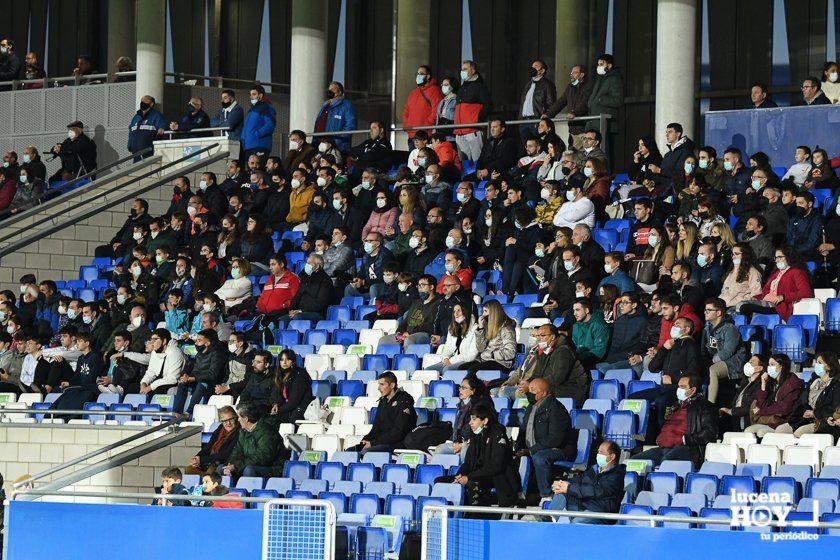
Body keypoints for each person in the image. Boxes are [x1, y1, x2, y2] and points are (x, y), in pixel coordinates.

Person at [439, 401, 520, 507]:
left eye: (474, 419)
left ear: (485, 420)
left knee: (472, 483)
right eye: (470, 419)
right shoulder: (475, 436)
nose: (470, 423)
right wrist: (460, 476)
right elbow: (468, 463)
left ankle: (475, 515)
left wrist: (469, 477)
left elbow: (495, 466)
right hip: (476, 474)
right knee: (440, 481)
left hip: (495, 477)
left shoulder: (498, 435)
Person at [631, 375, 718, 467]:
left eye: (682, 387)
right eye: (678, 386)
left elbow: (710, 432)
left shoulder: (705, 407)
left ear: (693, 390)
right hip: (662, 449)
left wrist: (686, 439)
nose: (679, 390)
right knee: (633, 462)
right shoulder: (675, 406)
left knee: (666, 464)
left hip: (688, 449)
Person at [515, 378, 576, 498]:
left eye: (533, 390)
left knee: (540, 457)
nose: (529, 392)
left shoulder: (556, 409)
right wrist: (518, 446)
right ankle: (518, 494)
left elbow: (555, 438)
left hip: (559, 449)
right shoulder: (531, 407)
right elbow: (524, 430)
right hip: (537, 447)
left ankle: (546, 495)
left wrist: (532, 450)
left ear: (544, 393)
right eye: (529, 389)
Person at [549, 440, 625, 523]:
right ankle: (550, 518)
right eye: (598, 452)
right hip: (585, 505)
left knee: (576, 524)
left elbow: (597, 491)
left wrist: (569, 488)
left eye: (601, 452)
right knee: (562, 490)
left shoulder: (616, 476)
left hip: (600, 512)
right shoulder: (594, 469)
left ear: (612, 456)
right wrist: (562, 483)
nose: (598, 455)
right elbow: (580, 480)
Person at [739, 246, 813, 322]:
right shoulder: (777, 273)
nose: (777, 260)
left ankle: (747, 331)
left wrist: (783, 297)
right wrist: (756, 297)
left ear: (789, 257)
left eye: (780, 257)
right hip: (767, 302)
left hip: (778, 306)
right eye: (775, 258)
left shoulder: (797, 272)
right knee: (740, 305)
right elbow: (768, 293)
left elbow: (806, 292)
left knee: (745, 307)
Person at [355, 371, 417, 454]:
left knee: (366, 452)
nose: (378, 388)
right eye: (379, 384)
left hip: (397, 444)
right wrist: (365, 440)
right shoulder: (382, 402)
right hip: (381, 443)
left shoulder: (404, 402)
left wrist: (373, 443)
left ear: (392, 385)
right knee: (351, 451)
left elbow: (398, 432)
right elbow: (376, 429)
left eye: (382, 384)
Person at [222, 402, 287, 479]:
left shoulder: (267, 431)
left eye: (239, 417)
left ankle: (249, 491)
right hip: (248, 464)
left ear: (246, 419)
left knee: (249, 470)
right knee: (221, 469)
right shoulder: (243, 431)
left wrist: (237, 466)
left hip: (272, 468)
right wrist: (229, 465)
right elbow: (237, 452)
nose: (238, 420)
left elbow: (263, 457)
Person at [744, 355, 804, 437]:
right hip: (771, 420)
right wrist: (763, 385)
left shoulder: (793, 383)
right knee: (748, 431)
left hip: (784, 420)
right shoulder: (772, 382)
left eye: (772, 365)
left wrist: (761, 411)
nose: (769, 368)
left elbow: (784, 408)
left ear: (782, 366)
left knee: (762, 433)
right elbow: (760, 404)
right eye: (769, 365)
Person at [702, 297, 747, 404]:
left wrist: (710, 362)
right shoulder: (708, 329)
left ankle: (710, 404)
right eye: (705, 310)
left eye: (709, 310)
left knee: (713, 370)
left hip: (734, 363)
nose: (705, 313)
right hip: (715, 360)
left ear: (718, 313)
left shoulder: (730, 329)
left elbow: (728, 352)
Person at [172, 329, 227, 417]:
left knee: (202, 383)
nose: (196, 343)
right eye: (196, 340)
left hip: (213, 383)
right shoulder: (200, 353)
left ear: (207, 343)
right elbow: (196, 370)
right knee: (183, 383)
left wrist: (192, 378)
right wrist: (186, 376)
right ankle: (177, 413)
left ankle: (189, 413)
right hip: (199, 379)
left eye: (199, 340)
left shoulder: (218, 354)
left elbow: (212, 375)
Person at [458, 300, 517, 376]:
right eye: (483, 311)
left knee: (472, 370)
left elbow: (510, 352)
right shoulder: (487, 325)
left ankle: (473, 387)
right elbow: (480, 348)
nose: (483, 314)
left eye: (485, 311)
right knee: (462, 368)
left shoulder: (507, 328)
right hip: (485, 359)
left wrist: (492, 354)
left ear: (493, 312)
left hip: (501, 363)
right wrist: (480, 329)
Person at [543, 64, 595, 149]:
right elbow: (561, 102)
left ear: (582, 74)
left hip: (585, 127)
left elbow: (585, 103)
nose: (571, 74)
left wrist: (575, 113)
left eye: (575, 72)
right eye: (571, 73)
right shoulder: (570, 87)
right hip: (573, 128)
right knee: (573, 154)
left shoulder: (589, 86)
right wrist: (548, 114)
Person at [596, 293, 649, 375]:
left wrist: (633, 354)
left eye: (625, 302)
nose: (621, 306)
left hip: (628, 359)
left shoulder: (643, 321)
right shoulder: (619, 321)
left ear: (634, 305)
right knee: (595, 369)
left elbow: (643, 342)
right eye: (621, 302)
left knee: (604, 371)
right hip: (613, 358)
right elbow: (614, 342)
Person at [276, 254, 332, 326]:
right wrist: (291, 309)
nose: (306, 265)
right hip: (301, 312)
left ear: (317, 266)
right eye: (306, 263)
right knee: (281, 319)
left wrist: (301, 311)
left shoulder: (325, 281)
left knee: (297, 317)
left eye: (309, 263)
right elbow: (297, 295)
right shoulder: (304, 278)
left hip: (318, 313)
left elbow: (321, 303)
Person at [454, 60, 492, 162]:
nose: (462, 71)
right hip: (460, 132)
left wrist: (476, 119)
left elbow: (488, 105)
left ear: (473, 70)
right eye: (462, 69)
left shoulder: (479, 86)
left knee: (477, 161)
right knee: (465, 163)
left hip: (473, 131)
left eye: (465, 69)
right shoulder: (462, 88)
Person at [186, 405, 241, 475]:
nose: (228, 423)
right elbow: (208, 447)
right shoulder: (220, 428)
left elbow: (225, 455)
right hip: (211, 461)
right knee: (189, 469)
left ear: (235, 418)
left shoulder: (239, 431)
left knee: (211, 471)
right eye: (224, 421)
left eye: (231, 419)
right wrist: (197, 458)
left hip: (224, 462)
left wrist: (202, 460)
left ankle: (207, 482)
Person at [402, 65, 444, 149]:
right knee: (414, 160)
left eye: (421, 74)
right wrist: (406, 125)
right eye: (417, 74)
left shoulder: (435, 91)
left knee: (425, 160)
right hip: (412, 135)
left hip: (425, 135)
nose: (418, 76)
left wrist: (426, 126)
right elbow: (406, 111)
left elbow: (436, 111)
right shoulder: (413, 92)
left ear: (428, 76)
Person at [267, 349, 313, 424]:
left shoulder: (299, 375)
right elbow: (275, 393)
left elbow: (294, 402)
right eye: (282, 360)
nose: (284, 362)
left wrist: (278, 410)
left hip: (299, 409)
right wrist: (275, 404)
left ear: (292, 361)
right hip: (285, 408)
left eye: (287, 359)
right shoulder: (279, 374)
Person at [430, 302, 478, 372]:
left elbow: (472, 355)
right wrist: (446, 358)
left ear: (466, 311)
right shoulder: (451, 328)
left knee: (447, 370)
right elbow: (448, 347)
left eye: (459, 310)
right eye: (454, 311)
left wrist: (452, 361)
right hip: (451, 360)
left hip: (467, 361)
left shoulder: (475, 328)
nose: (456, 314)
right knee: (429, 370)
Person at [314, 81, 357, 154]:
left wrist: (336, 142)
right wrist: (315, 141)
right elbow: (317, 123)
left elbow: (350, 126)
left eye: (333, 89)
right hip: (320, 145)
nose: (330, 91)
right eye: (329, 89)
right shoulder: (325, 106)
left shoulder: (346, 106)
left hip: (337, 147)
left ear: (339, 92)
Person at [519, 59, 557, 142]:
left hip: (537, 120)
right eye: (532, 66)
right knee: (527, 148)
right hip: (524, 121)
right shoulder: (528, 84)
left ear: (542, 70)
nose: (532, 68)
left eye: (536, 66)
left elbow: (551, 103)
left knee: (540, 145)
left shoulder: (547, 84)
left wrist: (545, 117)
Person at [241, 85, 276, 165]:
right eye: (250, 95)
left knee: (259, 170)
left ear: (260, 95)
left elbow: (270, 124)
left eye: (254, 94)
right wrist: (243, 138)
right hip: (248, 146)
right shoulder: (252, 110)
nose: (251, 97)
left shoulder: (266, 107)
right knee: (251, 173)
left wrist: (257, 134)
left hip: (260, 145)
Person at [720, 244, 763, 309]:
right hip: (723, 306)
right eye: (732, 254)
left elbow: (756, 295)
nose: (733, 257)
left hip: (737, 308)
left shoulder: (753, 272)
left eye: (736, 254)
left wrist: (740, 302)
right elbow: (724, 291)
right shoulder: (731, 271)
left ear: (745, 255)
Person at [128, 95, 166, 160]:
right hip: (136, 152)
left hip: (148, 152)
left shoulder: (156, 115)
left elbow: (162, 128)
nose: (142, 103)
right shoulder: (136, 117)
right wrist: (130, 146)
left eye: (145, 101)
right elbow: (131, 132)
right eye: (141, 101)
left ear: (151, 104)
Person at [786, 191, 822, 259]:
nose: (798, 206)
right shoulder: (793, 219)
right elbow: (789, 237)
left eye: (801, 203)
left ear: (809, 204)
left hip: (808, 255)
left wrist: (795, 251)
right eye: (797, 203)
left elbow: (812, 242)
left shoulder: (817, 219)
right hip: (793, 253)